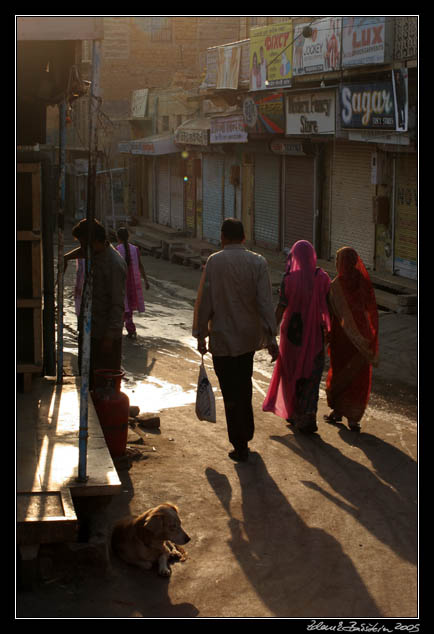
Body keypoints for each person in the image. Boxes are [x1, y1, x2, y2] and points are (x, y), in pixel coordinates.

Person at [193, 218, 278, 462]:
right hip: (247, 339)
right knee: (244, 385)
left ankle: (239, 442)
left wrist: (201, 334)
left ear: (222, 237)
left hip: (222, 338)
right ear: (243, 237)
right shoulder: (258, 262)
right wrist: (271, 337)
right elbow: (265, 302)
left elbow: (205, 300)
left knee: (230, 391)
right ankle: (245, 433)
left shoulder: (214, 262)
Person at [262, 240, 331, 433]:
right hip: (315, 335)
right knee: (311, 374)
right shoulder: (322, 277)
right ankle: (308, 415)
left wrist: (270, 332)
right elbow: (329, 306)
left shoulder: (288, 280)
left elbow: (281, 307)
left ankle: (294, 413)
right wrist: (331, 330)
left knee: (291, 373)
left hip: (292, 334)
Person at [64, 218, 127, 389]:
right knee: (88, 379)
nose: (83, 249)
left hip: (105, 336)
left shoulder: (114, 264)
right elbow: (84, 252)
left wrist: (109, 337)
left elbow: (117, 304)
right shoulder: (96, 252)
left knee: (105, 384)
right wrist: (67, 258)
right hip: (90, 330)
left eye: (85, 244)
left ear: (94, 241)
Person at [324, 246, 379, 432]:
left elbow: (331, 313)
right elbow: (371, 309)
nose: (337, 264)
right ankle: (353, 418)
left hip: (343, 338)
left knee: (341, 372)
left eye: (338, 261)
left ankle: (339, 411)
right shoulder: (363, 282)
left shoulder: (336, 285)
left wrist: (327, 333)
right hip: (361, 337)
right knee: (357, 375)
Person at [116, 227, 150, 339]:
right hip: (133, 283)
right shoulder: (135, 249)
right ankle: (130, 328)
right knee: (128, 307)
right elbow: (140, 265)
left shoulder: (117, 249)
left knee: (122, 306)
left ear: (118, 237)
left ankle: (124, 328)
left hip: (122, 282)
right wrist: (146, 280)